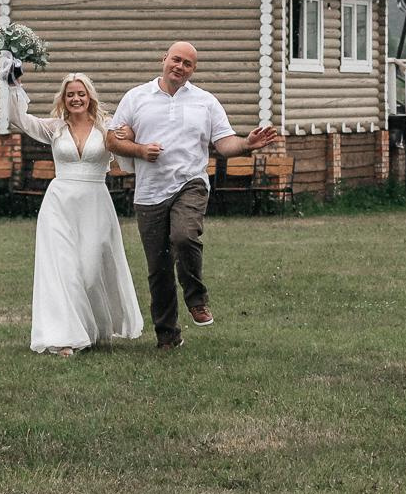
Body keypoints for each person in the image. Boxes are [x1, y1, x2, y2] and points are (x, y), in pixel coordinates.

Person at [104, 41, 280, 350]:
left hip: (190, 184)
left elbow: (224, 143)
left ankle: (196, 298)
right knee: (158, 268)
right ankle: (168, 336)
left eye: (187, 63)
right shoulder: (136, 97)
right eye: (176, 59)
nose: (180, 67)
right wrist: (140, 150)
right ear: (164, 59)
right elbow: (113, 140)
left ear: (193, 70)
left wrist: (246, 144)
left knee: (184, 236)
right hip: (149, 192)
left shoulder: (205, 102)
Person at [3, 70, 143, 357]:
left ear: (90, 97)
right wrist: (13, 85)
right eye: (70, 95)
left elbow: (132, 141)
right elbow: (19, 119)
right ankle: (65, 337)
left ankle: (93, 328)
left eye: (81, 93)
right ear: (63, 99)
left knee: (90, 272)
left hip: (95, 204)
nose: (76, 99)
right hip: (59, 205)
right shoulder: (55, 128)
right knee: (63, 271)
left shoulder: (107, 127)